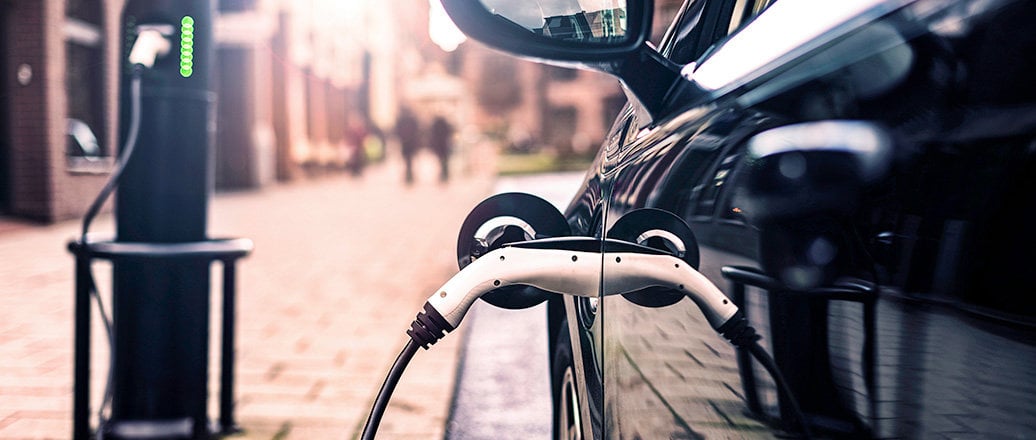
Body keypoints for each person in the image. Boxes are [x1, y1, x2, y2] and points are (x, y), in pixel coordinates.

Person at [394, 107, 420, 184]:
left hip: (405, 143)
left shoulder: (401, 120)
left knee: (407, 160)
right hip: (410, 143)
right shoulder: (411, 120)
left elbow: (397, 131)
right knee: (409, 160)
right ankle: (409, 174)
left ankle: (408, 174)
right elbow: (417, 130)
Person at [429, 115, 454, 183]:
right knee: (445, 160)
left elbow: (432, 135)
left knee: (441, 160)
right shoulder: (445, 123)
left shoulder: (435, 124)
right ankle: (445, 174)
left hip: (439, 145)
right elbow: (450, 132)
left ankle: (443, 174)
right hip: (444, 144)